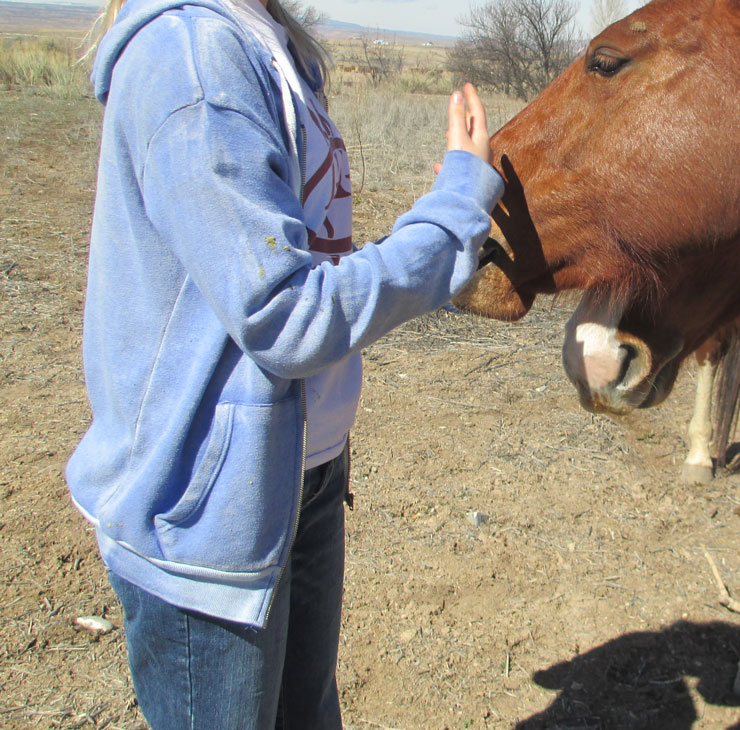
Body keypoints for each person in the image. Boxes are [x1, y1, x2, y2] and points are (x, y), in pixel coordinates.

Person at [66, 0, 504, 727]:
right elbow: (284, 313)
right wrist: (451, 215)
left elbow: (299, 266)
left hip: (302, 469)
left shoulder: (271, 43)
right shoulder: (194, 58)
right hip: (210, 514)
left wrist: (443, 239)